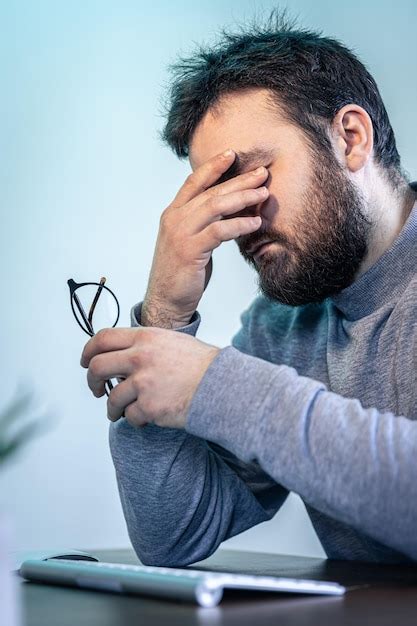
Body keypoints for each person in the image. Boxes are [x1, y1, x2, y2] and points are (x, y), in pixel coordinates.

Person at [80, 12, 417, 566]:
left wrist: (217, 386)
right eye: (220, 193)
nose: (241, 218)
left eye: (256, 175)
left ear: (350, 138)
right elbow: (174, 535)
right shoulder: (281, 326)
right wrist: (164, 319)